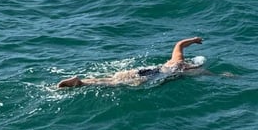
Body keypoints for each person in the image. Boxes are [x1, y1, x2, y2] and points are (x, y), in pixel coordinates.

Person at [58, 37, 213, 88]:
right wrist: (228, 75)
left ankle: (81, 81)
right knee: (114, 84)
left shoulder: (175, 60)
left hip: (146, 70)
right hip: (150, 77)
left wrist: (193, 40)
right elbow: (211, 74)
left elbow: (179, 44)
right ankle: (81, 84)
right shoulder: (188, 70)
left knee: (114, 78)